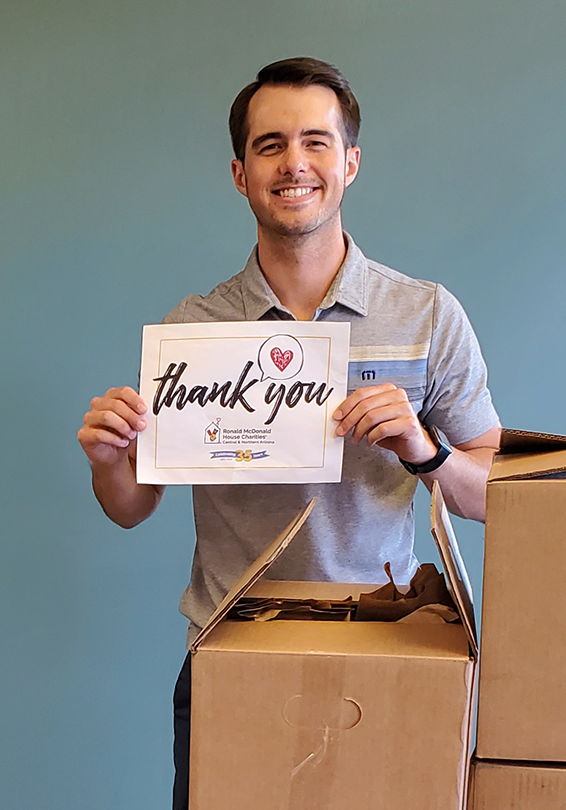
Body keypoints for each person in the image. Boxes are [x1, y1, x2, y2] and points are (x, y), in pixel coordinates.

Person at [71, 57, 503, 809]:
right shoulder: (193, 330)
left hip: (385, 649)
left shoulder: (427, 314)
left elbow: (496, 495)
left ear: (349, 162)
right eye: (270, 145)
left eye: (315, 141)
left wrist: (426, 452)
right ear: (240, 173)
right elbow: (132, 505)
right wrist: (112, 460)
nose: (294, 163)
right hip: (232, 649)